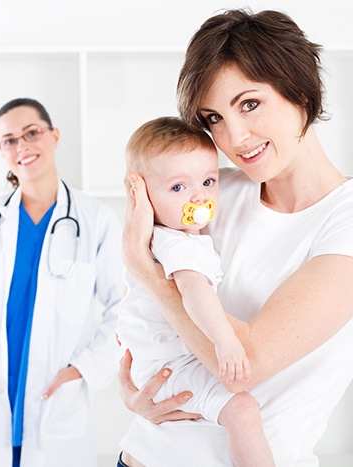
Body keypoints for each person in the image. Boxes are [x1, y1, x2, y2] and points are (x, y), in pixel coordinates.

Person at [118, 9, 353, 467]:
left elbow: (244, 361)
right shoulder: (212, 191)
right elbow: (141, 320)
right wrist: (133, 389)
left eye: (249, 104)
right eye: (213, 117)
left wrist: (146, 271)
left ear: (301, 90)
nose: (233, 136)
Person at [0, 97, 124, 467]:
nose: (22, 146)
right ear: (1, 151)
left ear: (53, 136)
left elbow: (125, 308)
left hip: (55, 398)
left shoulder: (94, 220)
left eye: (31, 133)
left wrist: (85, 368)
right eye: (9, 140)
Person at [116, 116, 275, 467]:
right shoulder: (178, 245)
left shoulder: (167, 237)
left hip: (160, 362)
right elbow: (195, 295)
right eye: (178, 188)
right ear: (141, 195)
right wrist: (226, 342)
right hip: (169, 366)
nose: (199, 197)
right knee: (243, 410)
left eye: (208, 181)